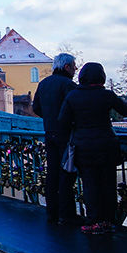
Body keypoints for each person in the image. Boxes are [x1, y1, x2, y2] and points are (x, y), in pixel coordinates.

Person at [58, 62, 127, 235]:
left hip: (83, 146)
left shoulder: (73, 96)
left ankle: (94, 221)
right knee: (108, 184)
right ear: (101, 77)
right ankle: (108, 221)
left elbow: (62, 122)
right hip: (107, 144)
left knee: (90, 183)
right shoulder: (107, 95)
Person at [32, 53, 80, 225]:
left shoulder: (43, 83)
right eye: (74, 66)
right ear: (66, 67)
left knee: (52, 173)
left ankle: (51, 212)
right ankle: (66, 214)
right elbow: (76, 108)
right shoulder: (69, 85)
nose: (75, 69)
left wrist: (49, 118)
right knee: (67, 173)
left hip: (49, 133)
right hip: (67, 134)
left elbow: (36, 107)